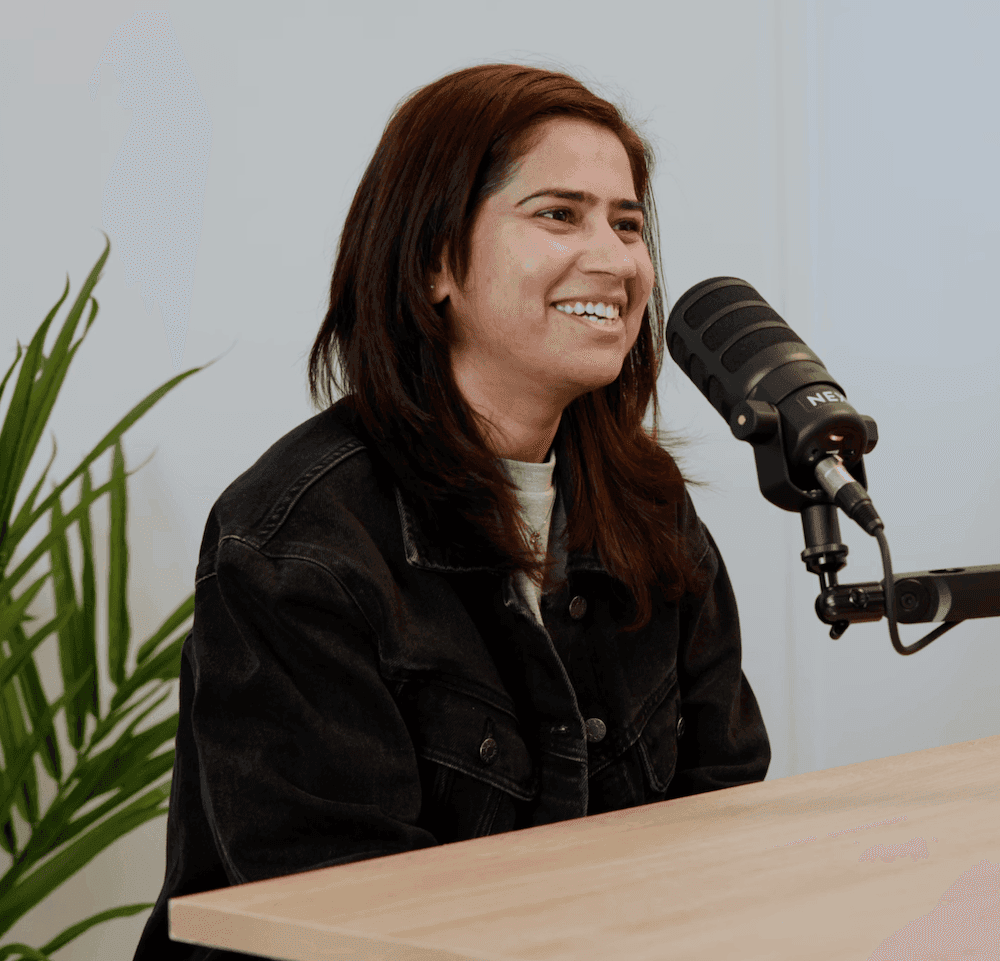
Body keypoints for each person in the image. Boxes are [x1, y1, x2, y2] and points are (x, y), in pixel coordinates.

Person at [133, 62, 771, 961]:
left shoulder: (648, 507)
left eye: (627, 224)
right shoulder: (299, 544)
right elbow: (339, 908)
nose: (617, 258)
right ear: (435, 261)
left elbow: (725, 808)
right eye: (559, 214)